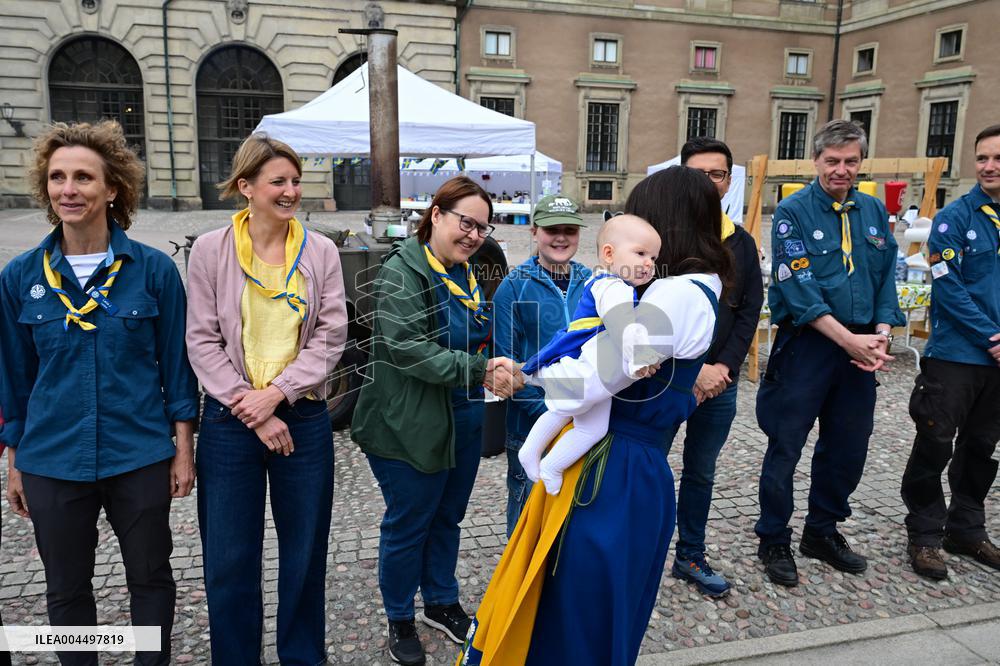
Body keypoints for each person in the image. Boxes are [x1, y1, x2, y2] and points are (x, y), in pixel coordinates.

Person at [489, 166, 732, 665]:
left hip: (613, 471)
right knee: (581, 618)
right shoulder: (689, 289)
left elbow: (618, 363)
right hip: (622, 464)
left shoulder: (676, 292)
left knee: (577, 625)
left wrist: (537, 377)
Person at [0, 120, 198, 666]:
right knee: (66, 587)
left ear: (112, 189)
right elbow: (14, 380)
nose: (69, 189)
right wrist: (16, 461)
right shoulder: (20, 277)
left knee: (151, 577)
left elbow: (176, 367)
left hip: (138, 453)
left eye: (84, 177)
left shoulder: (153, 271)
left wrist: (183, 446)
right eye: (58, 177)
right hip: (52, 458)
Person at [185, 134, 347, 665]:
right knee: (230, 557)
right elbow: (201, 340)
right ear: (245, 187)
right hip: (233, 426)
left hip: (302, 416)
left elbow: (330, 335)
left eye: (295, 181)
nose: (290, 191)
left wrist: (277, 394)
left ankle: (303, 657)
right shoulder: (211, 249)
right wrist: (249, 407)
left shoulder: (320, 250)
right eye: (278, 181)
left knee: (304, 553)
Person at [351, 176, 521, 666]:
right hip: (408, 422)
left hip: (460, 414)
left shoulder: (465, 272)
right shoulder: (402, 271)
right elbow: (407, 349)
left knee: (449, 516)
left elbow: (474, 336)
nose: (473, 234)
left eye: (483, 228)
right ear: (437, 214)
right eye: (466, 222)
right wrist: (480, 369)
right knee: (409, 523)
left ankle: (441, 602)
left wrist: (498, 361)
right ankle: (400, 616)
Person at [755, 119, 904, 587]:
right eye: (833, 161)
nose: (842, 170)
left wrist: (879, 334)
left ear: (862, 163)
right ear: (816, 161)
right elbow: (798, 288)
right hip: (809, 345)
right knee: (786, 445)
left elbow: (885, 277)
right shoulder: (792, 212)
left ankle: (821, 531)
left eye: (851, 162)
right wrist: (849, 341)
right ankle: (774, 536)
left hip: (861, 347)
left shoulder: (874, 211)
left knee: (848, 446)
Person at [901, 124, 1000, 579]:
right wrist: (993, 337)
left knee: (982, 448)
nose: (989, 166)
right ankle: (924, 536)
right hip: (957, 357)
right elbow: (948, 287)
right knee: (934, 445)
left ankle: (967, 529)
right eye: (982, 158)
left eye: (997, 158)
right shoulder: (954, 218)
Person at [667, 137, 764, 598]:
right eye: (698, 173)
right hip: (666, 382)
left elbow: (748, 311)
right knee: (645, 466)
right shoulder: (659, 235)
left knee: (701, 470)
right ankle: (637, 548)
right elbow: (643, 312)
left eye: (718, 174)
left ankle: (690, 553)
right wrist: (692, 371)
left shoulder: (740, 242)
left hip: (719, 385)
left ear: (729, 182)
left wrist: (723, 366)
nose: (709, 182)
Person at [517, 215, 661, 496]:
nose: (649, 263)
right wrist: (641, 357)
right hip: (586, 366)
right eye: (641, 253)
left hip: (594, 368)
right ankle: (540, 459)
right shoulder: (612, 286)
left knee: (583, 423)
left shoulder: (609, 283)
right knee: (569, 409)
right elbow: (622, 324)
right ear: (609, 253)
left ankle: (546, 461)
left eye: (654, 257)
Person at [493, 195, 591, 535]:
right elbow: (507, 371)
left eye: (569, 230)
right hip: (532, 427)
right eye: (552, 230)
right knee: (526, 518)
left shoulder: (593, 282)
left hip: (584, 423)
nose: (561, 238)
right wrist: (557, 414)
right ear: (535, 232)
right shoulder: (513, 286)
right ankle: (520, 586)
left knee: (573, 517)